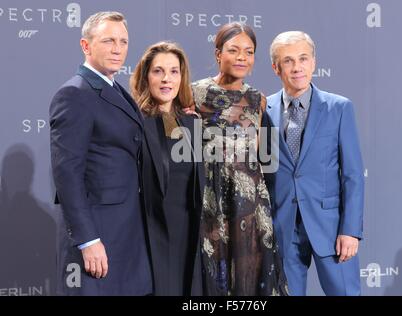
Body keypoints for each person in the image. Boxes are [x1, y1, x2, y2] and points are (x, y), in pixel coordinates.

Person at [49, 11, 153, 295]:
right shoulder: (75, 94)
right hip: (99, 235)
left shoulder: (117, 91)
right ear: (86, 46)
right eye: (108, 41)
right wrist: (88, 240)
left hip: (127, 231)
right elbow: (67, 174)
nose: (118, 49)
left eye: (123, 41)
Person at [263, 31, 364, 295]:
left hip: (330, 228)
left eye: (303, 58)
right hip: (283, 228)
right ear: (276, 67)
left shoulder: (339, 108)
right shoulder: (263, 111)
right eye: (288, 61)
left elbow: (352, 174)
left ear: (314, 63)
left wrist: (351, 231)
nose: (297, 67)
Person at [191, 22, 288, 296]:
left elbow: (259, 152)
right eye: (234, 50)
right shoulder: (194, 93)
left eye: (249, 51)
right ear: (218, 54)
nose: (242, 57)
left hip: (251, 200)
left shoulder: (258, 99)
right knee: (214, 273)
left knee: (250, 273)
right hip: (210, 197)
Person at [130, 41, 205, 296]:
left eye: (174, 71)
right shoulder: (135, 123)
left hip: (188, 231)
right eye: (158, 71)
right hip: (150, 233)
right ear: (145, 76)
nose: (166, 79)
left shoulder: (191, 123)